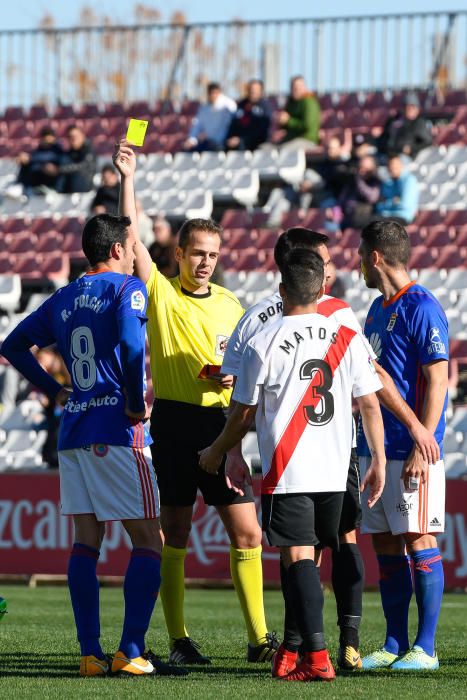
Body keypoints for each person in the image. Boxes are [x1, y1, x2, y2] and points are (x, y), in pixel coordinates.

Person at [219, 227, 440, 676]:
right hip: (344, 458)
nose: (336, 266)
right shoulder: (353, 317)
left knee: (307, 551)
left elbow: (237, 398)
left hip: (303, 462)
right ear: (310, 274)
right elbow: (369, 390)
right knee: (350, 544)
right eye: (323, 261)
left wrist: (226, 450)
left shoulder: (263, 325)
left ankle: (351, 647)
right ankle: (350, 643)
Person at [113, 140, 278, 665]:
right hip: (177, 424)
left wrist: (232, 392)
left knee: (247, 529)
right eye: (196, 253)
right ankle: (180, 640)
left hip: (222, 424)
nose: (204, 262)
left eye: (212, 254)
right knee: (176, 531)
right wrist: (128, 177)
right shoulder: (160, 292)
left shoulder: (232, 304)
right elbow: (130, 236)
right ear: (178, 253)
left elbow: (243, 367)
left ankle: (258, 640)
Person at [199, 249, 387, 682]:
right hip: (339, 468)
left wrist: (216, 451)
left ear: (282, 291)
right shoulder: (346, 335)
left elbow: (243, 414)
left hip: (290, 469)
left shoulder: (264, 340)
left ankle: (317, 657)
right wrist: (375, 458)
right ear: (323, 288)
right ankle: (306, 646)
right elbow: (370, 404)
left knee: (299, 556)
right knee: (336, 547)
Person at [0, 214, 175, 678]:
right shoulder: (126, 289)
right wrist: (137, 404)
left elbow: (13, 345)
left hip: (75, 432)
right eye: (132, 245)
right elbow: (134, 345)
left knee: (86, 542)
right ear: (118, 249)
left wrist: (53, 389)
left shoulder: (62, 297)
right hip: (118, 431)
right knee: (150, 543)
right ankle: (131, 649)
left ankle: (90, 654)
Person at [357, 219, 448, 671]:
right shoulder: (376, 308)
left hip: (414, 450)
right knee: (387, 544)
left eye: (360, 255)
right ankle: (394, 643)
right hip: (377, 448)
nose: (357, 263)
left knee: (418, 538)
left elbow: (438, 379)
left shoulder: (422, 306)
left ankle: (426, 648)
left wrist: (421, 439)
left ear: (375, 257)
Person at [184, 82, 236, 152]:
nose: (213, 95)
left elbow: (234, 120)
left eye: (216, 93)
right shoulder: (204, 109)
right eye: (211, 93)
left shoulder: (228, 105)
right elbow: (197, 126)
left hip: (222, 144)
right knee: (187, 151)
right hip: (208, 143)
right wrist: (192, 140)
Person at [378, 92, 432, 160]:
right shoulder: (393, 121)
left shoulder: (419, 123)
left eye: (412, 107)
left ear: (417, 109)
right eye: (407, 106)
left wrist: (411, 148)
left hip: (404, 157)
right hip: (386, 153)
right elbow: (383, 137)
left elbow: (428, 142)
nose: (409, 109)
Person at [225, 79, 272, 151]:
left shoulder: (265, 106)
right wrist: (230, 138)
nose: (252, 91)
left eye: (255, 89)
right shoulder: (241, 105)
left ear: (261, 91)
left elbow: (263, 129)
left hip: (256, 142)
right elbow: (234, 124)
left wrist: (242, 139)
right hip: (238, 140)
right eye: (250, 89)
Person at [16, 126, 64, 196]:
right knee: (25, 165)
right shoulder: (37, 151)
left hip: (51, 185)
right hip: (34, 184)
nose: (47, 142)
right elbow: (35, 157)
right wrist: (25, 159)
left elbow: (49, 157)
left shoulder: (58, 150)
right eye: (44, 139)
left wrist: (30, 159)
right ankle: (20, 186)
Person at [337, 155, 381, 229]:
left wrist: (359, 180)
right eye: (360, 167)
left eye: (365, 169)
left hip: (363, 219)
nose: (361, 171)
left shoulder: (375, 182)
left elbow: (372, 198)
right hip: (346, 217)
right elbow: (342, 200)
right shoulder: (352, 181)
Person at [277, 75, 321, 147]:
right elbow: (286, 126)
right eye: (293, 87)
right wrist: (281, 121)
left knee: (284, 151)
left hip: (307, 140)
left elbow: (307, 125)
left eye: (298, 87)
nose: (295, 90)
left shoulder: (309, 102)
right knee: (265, 149)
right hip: (290, 139)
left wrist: (288, 121)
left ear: (304, 87)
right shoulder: (291, 103)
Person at [376, 154, 419, 225]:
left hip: (402, 218)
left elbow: (405, 204)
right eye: (390, 165)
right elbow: (379, 206)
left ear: (401, 165)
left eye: (395, 165)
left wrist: (387, 203)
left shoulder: (409, 180)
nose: (392, 168)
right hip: (386, 216)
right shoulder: (387, 183)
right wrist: (394, 201)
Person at [59, 125, 96, 193]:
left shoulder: (89, 151)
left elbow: (83, 166)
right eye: (70, 137)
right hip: (68, 194)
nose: (73, 139)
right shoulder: (67, 155)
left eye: (75, 136)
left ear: (82, 136)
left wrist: (59, 170)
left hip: (86, 192)